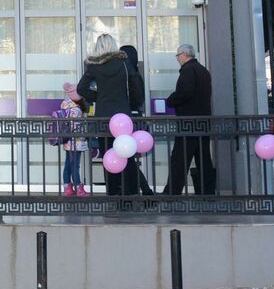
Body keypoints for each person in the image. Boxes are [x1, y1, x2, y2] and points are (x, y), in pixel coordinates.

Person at [75, 33, 143, 196]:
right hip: (123, 117)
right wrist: (131, 103)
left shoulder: (94, 66)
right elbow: (135, 86)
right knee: (126, 154)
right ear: (113, 44)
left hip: (104, 118)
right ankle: (129, 194)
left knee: (108, 156)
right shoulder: (124, 62)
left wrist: (98, 97)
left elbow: (81, 89)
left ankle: (112, 194)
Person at [163, 43, 215, 195]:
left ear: (184, 55)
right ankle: (208, 192)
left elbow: (185, 92)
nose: (177, 58)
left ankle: (172, 192)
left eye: (178, 55)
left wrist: (170, 101)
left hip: (188, 123)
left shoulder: (188, 70)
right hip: (203, 123)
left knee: (179, 159)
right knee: (204, 159)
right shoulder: (203, 70)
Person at [120, 44, 155, 196]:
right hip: (134, 119)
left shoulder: (130, 76)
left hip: (128, 121)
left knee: (127, 159)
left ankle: (145, 192)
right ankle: (139, 192)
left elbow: (135, 99)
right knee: (128, 159)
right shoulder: (136, 75)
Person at [56, 88, 88, 196]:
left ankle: (67, 187)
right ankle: (79, 188)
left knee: (68, 165)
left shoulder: (66, 106)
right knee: (75, 166)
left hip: (68, 141)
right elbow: (75, 127)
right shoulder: (76, 109)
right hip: (76, 142)